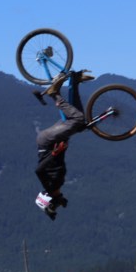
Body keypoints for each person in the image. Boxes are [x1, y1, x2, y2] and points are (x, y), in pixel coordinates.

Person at [33, 69, 94, 220]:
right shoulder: (57, 185)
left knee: (78, 120)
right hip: (53, 142)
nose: (60, 203)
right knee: (79, 122)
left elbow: (39, 170)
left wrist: (54, 153)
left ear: (50, 201)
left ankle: (53, 93)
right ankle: (75, 81)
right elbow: (59, 161)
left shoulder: (50, 186)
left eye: (56, 204)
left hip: (47, 141)